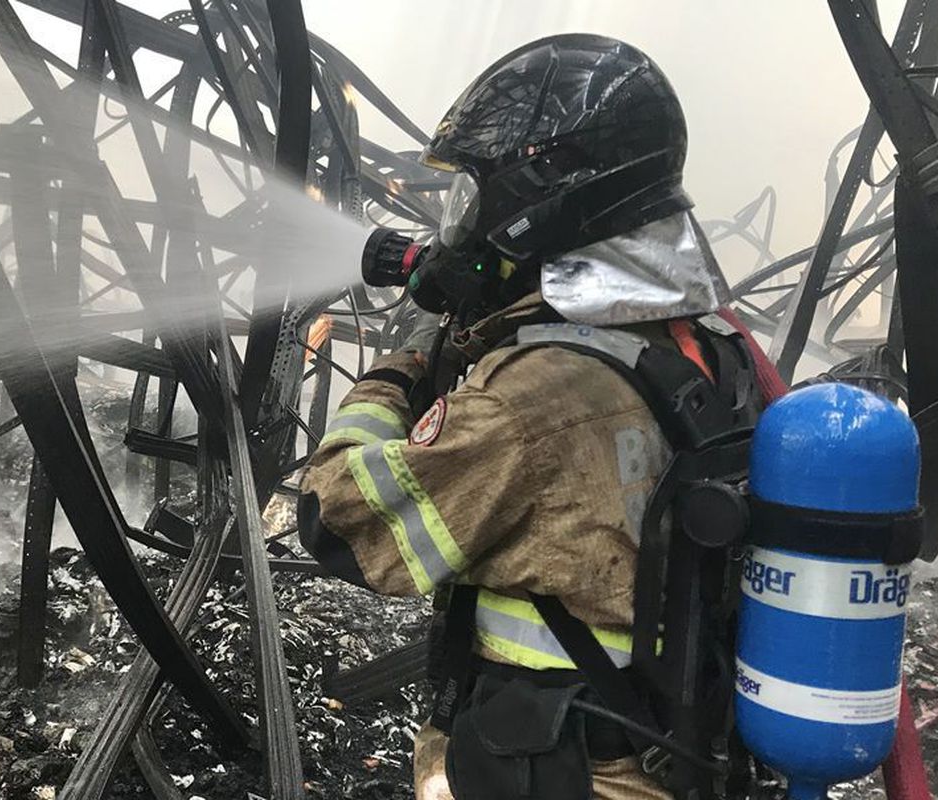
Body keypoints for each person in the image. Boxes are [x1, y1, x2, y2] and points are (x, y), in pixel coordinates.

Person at [299, 35, 772, 800]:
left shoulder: (540, 394)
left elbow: (344, 525)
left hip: (567, 771)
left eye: (473, 196)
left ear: (537, 205)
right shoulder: (700, 350)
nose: (461, 222)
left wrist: (396, 372)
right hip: (674, 750)